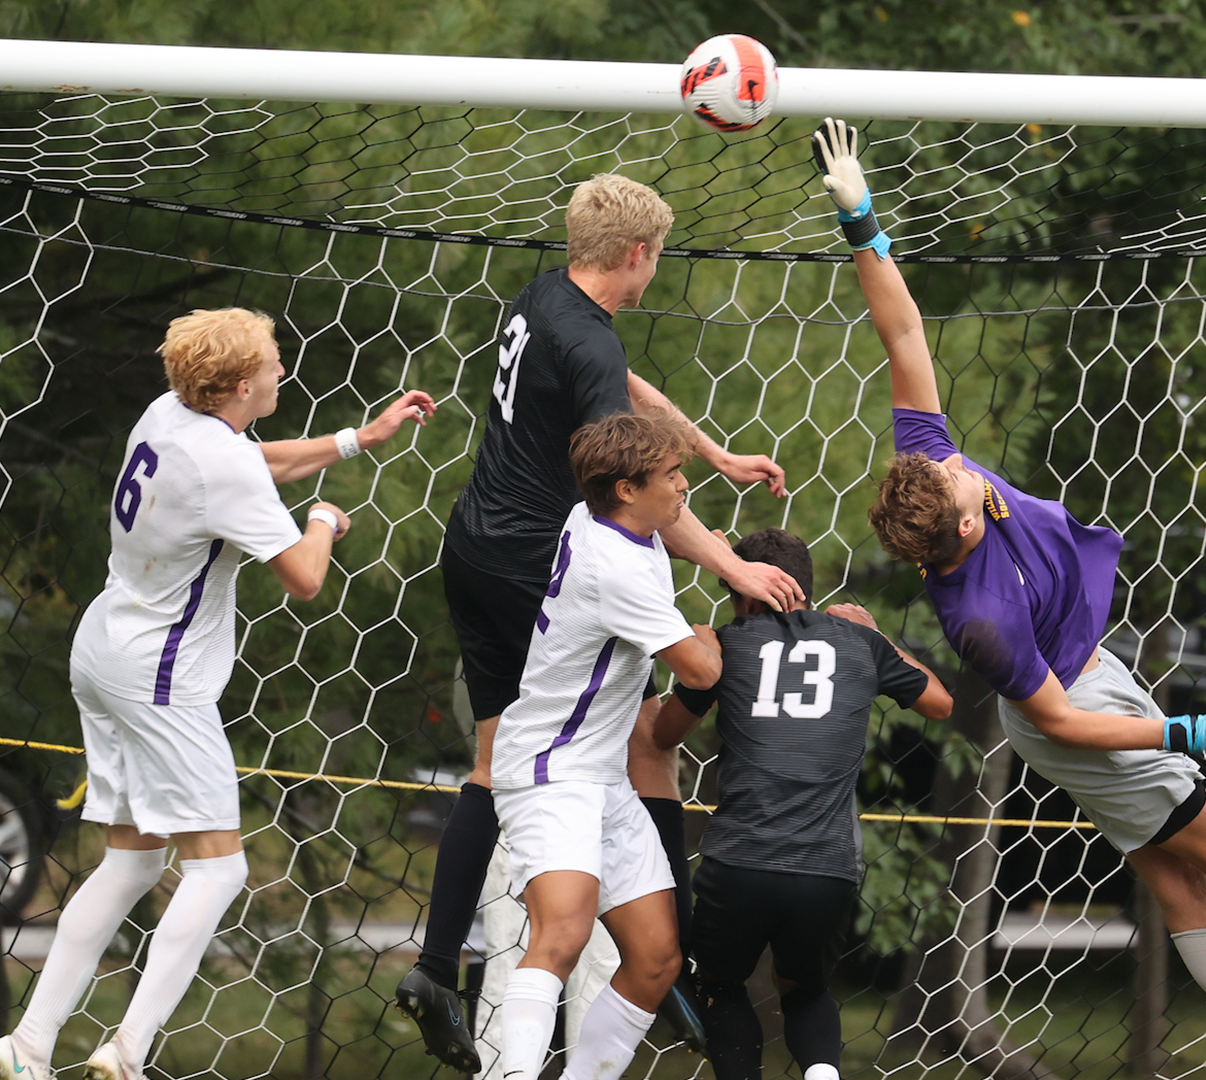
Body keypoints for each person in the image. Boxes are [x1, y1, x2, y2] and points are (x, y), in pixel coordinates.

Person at [813, 117, 1206, 1080]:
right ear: (961, 535)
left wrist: (863, 221)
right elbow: (1058, 724)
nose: (966, 471)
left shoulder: (930, 467)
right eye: (964, 492)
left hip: (1098, 684)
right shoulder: (976, 618)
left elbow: (900, 328)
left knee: (1182, 885)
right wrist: (1184, 734)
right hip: (1080, 720)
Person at [401, 172, 803, 1070]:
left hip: (474, 540)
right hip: (527, 565)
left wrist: (711, 450)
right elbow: (644, 492)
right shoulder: (618, 521)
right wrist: (737, 565)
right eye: (658, 255)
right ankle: (679, 962)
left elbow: (622, 392)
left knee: (510, 756)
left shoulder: (549, 296)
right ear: (639, 254)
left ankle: (439, 963)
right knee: (634, 744)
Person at [0, 307, 434, 1080]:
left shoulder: (169, 415)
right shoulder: (221, 463)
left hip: (104, 649)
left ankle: (26, 1045)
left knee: (129, 862)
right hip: (159, 676)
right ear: (236, 385)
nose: (282, 372)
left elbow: (253, 464)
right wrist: (323, 520)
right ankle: (126, 1051)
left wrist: (361, 437)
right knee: (220, 870)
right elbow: (305, 578)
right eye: (271, 363)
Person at [650, 527, 954, 1080]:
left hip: (740, 859)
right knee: (806, 989)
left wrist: (692, 660)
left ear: (742, 587)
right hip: (827, 866)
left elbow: (662, 736)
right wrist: (879, 634)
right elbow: (939, 701)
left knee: (721, 985)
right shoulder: (859, 642)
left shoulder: (728, 642)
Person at [488, 412, 724, 1080]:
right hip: (550, 769)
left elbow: (672, 529)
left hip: (603, 777)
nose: (683, 488)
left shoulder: (592, 515)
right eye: (672, 476)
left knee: (655, 960)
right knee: (560, 935)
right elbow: (703, 673)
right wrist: (706, 635)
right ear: (625, 488)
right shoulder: (615, 568)